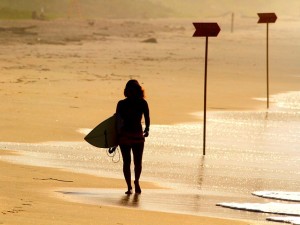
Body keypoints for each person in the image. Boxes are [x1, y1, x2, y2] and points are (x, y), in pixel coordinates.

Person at [116, 80, 150, 195]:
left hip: (125, 136)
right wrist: (147, 129)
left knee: (127, 162)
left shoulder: (121, 104)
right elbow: (147, 118)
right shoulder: (142, 103)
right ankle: (134, 183)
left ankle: (130, 186)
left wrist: (116, 137)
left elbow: (117, 121)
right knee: (137, 162)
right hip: (136, 135)